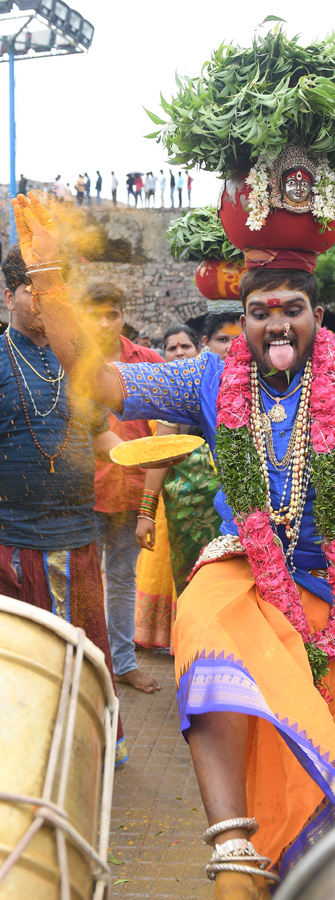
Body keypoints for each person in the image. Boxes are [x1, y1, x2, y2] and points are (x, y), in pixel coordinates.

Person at [15, 191, 335, 896]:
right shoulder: (206, 376)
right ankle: (231, 848)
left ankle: (304, 872)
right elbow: (98, 380)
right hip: (248, 576)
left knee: (333, 773)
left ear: (318, 318)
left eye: (291, 308)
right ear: (244, 323)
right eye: (259, 312)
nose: (275, 322)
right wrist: (47, 278)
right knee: (204, 620)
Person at [0, 247, 130, 764]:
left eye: (57, 292)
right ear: (8, 295)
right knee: (24, 655)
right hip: (14, 540)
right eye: (37, 290)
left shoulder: (81, 367)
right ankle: (27, 758)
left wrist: (156, 457)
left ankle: (94, 748)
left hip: (78, 538)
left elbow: (107, 440)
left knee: (87, 648)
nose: (48, 302)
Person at [85, 282, 165, 694]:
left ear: (122, 315)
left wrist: (149, 507)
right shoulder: (72, 360)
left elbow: (165, 424)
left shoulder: (147, 360)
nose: (103, 323)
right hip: (84, 491)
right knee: (80, 580)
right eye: (95, 314)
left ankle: (122, 663)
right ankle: (85, 665)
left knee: (120, 579)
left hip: (133, 492)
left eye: (111, 314)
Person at [133, 323, 209, 650]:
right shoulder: (170, 395)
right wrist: (146, 512)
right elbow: (160, 454)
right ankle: (190, 648)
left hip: (226, 510)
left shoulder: (219, 388)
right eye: (172, 348)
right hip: (182, 510)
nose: (179, 352)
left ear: (199, 349)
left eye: (185, 347)